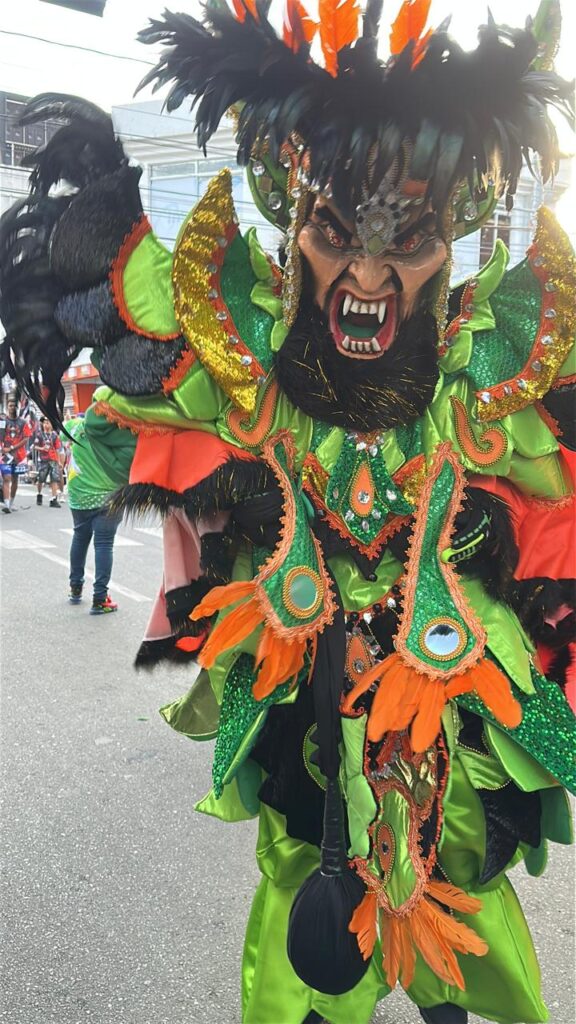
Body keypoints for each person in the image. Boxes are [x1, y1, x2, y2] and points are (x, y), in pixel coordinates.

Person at [0, 4, 575, 1023]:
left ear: (452, 243)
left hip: (458, 722)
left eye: (408, 235)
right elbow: (123, 422)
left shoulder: (494, 377)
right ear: (292, 222)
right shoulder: (249, 368)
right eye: (335, 232)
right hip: (304, 706)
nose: (365, 272)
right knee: (308, 928)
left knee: (464, 911)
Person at [65, 412, 127, 615]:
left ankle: (75, 588)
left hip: (79, 494)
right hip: (109, 495)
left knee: (80, 537)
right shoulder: (115, 429)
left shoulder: (75, 425)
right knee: (104, 545)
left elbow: (61, 436)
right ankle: (100, 599)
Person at [0, 394, 32, 513]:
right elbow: (0, 436)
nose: (12, 407)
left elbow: (26, 438)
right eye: (10, 405)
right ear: (7, 407)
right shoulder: (3, 421)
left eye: (14, 406)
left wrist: (12, 447)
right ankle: (7, 505)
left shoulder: (23, 422)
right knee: (7, 477)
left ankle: (12, 502)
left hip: (19, 456)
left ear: (18, 407)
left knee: (15, 479)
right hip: (5, 456)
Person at [32, 416, 63, 507]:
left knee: (54, 479)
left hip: (53, 460)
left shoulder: (54, 435)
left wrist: (59, 461)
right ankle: (39, 494)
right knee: (41, 479)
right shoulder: (40, 435)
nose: (46, 424)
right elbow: (35, 446)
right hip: (43, 460)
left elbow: (57, 449)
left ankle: (54, 499)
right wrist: (41, 448)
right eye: (44, 423)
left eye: (48, 422)